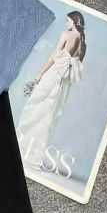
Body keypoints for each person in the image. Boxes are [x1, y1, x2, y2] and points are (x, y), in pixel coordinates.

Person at [18, 11, 86, 169]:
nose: (66, 23)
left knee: (34, 108)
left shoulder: (66, 35)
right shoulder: (84, 44)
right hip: (64, 84)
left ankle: (21, 147)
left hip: (53, 75)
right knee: (50, 117)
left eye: (68, 20)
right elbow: (76, 67)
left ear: (74, 21)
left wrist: (39, 75)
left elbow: (53, 57)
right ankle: (32, 154)